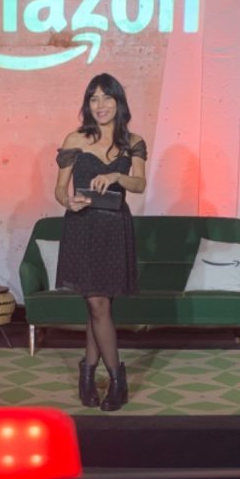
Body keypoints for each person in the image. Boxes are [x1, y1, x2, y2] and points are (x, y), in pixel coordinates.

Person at [54, 73, 147, 411]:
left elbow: (139, 185)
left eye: (107, 98)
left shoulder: (133, 141)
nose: (100, 105)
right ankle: (117, 378)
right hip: (82, 227)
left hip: (115, 228)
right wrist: (68, 202)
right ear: (87, 105)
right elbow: (59, 189)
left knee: (99, 306)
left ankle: (88, 373)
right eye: (93, 99)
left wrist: (117, 175)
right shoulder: (74, 139)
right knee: (97, 304)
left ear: (118, 102)